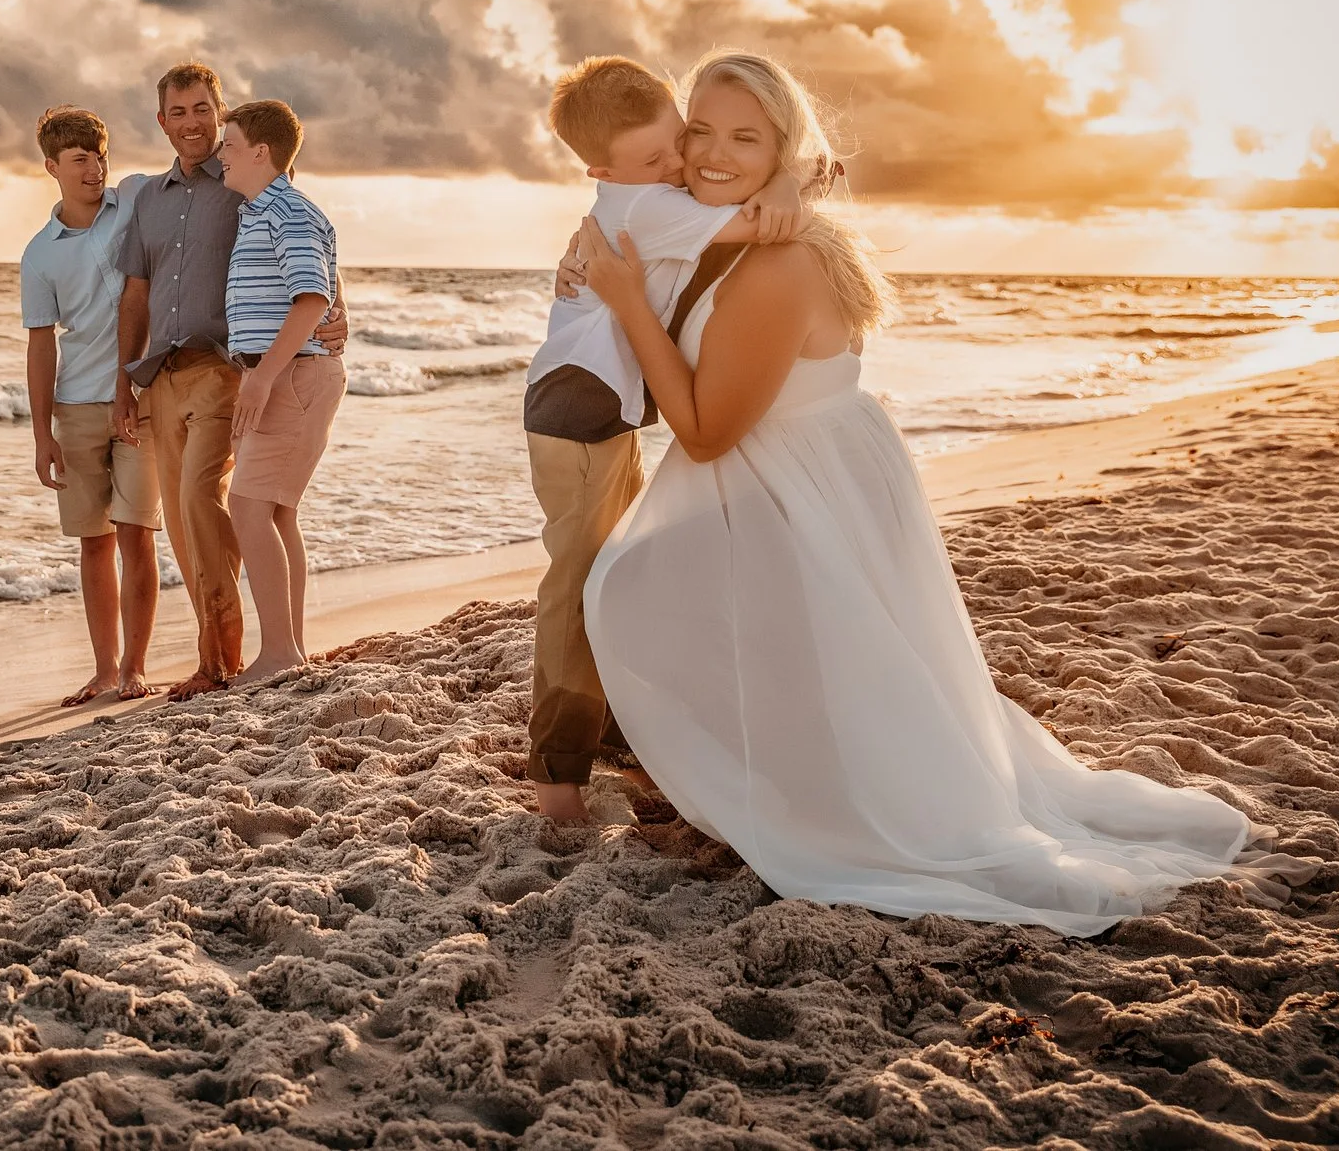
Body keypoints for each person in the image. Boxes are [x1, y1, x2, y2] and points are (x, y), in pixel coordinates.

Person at [577, 52, 1253, 935]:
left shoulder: (777, 262)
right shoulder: (736, 223)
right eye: (699, 129)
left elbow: (704, 431)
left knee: (629, 588)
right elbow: (652, 195)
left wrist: (627, 301)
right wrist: (768, 183)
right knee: (732, 617)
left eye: (746, 138)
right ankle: (743, 770)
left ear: (780, 147)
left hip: (796, 471)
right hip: (818, 462)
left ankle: (783, 788)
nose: (711, 152)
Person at [523, 58, 805, 822]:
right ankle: (556, 774)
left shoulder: (644, 191)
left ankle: (623, 742)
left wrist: (785, 173)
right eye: (656, 159)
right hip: (578, 409)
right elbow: (760, 222)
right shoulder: (647, 206)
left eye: (677, 142)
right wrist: (793, 180)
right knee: (579, 586)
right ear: (603, 171)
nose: (679, 164)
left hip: (595, 408)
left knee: (618, 573)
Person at [112, 63, 347, 700]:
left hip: (232, 370)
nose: (193, 124)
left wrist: (335, 309)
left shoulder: (249, 182)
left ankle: (233, 656)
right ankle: (259, 649)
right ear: (162, 121)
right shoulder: (151, 199)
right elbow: (136, 293)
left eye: (203, 111)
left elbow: (312, 256)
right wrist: (123, 384)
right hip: (164, 374)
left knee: (215, 504)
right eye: (178, 112)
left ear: (219, 115)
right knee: (193, 518)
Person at [19, 106, 160, 705]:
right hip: (75, 408)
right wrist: (41, 434)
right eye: (79, 159)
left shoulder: (133, 202)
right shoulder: (39, 254)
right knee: (94, 542)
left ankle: (134, 668)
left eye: (99, 156)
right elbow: (41, 345)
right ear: (52, 166)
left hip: (142, 400)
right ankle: (104, 669)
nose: (94, 169)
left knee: (136, 532)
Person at [216, 100, 346, 686]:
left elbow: (312, 298)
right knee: (275, 511)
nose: (221, 154)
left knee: (248, 509)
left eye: (230, 144)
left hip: (291, 376)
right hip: (289, 373)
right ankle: (288, 648)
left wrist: (263, 376)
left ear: (261, 152)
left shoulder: (287, 212)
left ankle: (277, 654)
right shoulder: (262, 211)